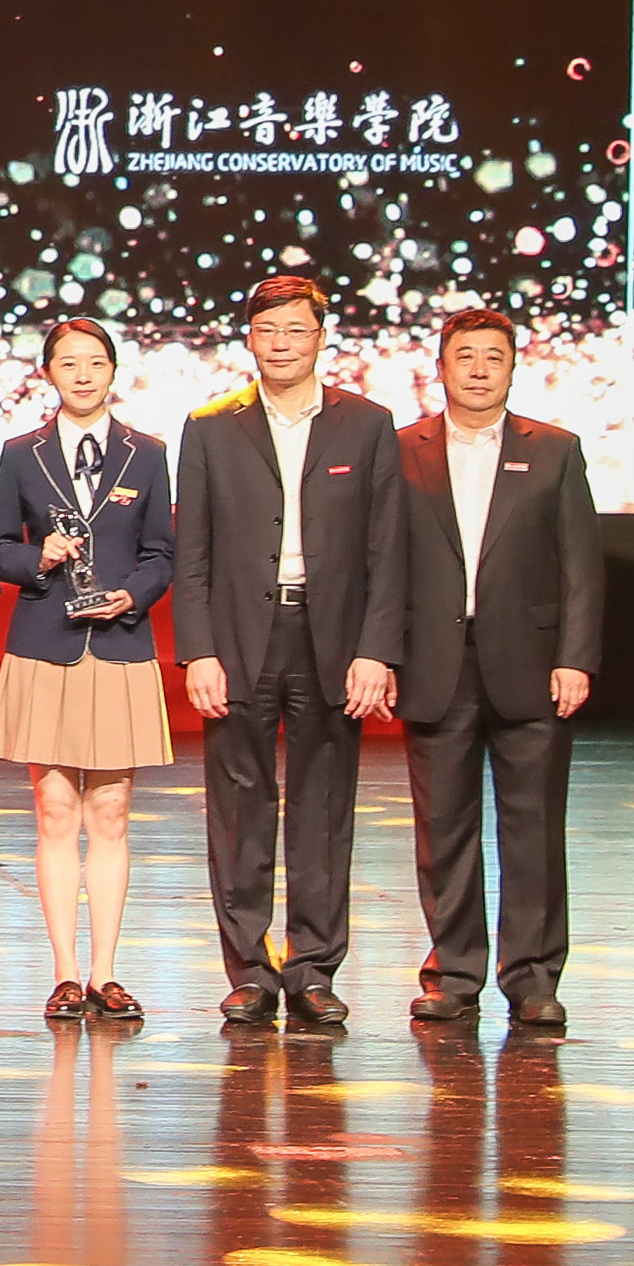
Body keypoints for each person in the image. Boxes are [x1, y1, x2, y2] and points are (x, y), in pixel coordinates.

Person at [172, 272, 409, 1036]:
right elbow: (192, 552)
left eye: (296, 330)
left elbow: (388, 551)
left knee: (325, 804)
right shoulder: (211, 426)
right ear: (250, 337)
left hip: (332, 637)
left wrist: (377, 650)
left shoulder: (367, 424)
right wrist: (198, 650)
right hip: (240, 636)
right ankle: (249, 970)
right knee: (239, 804)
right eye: (268, 330)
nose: (281, 344)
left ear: (320, 337)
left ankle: (313, 969)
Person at [398, 306, 603, 1035]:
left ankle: (534, 979)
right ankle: (453, 975)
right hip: (435, 663)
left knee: (534, 829)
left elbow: (581, 567)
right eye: (466, 355)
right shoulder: (402, 449)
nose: (479, 369)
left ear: (513, 368)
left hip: (532, 664)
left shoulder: (555, 450)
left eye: (494, 356)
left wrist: (575, 657)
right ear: (440, 367)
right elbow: (381, 564)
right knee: (444, 830)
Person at [0, 318, 177, 1025]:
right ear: (48, 373)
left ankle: (106, 972)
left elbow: (162, 552)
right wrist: (36, 557)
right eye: (69, 363)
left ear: (113, 370)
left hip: (120, 643)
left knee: (112, 811)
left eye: (95, 362)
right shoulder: (21, 454)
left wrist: (134, 594)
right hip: (47, 641)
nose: (83, 375)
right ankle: (66, 973)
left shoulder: (147, 453)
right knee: (56, 809)